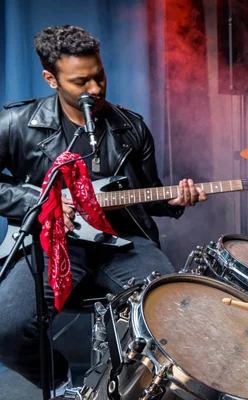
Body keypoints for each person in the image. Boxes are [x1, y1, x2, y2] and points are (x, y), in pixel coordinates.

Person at [0, 25, 206, 391]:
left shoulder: (131, 128)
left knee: (175, 315)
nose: (95, 90)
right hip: (54, 243)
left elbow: (149, 193)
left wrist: (174, 201)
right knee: (4, 328)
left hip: (124, 241)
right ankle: (61, 382)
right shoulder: (17, 124)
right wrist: (39, 201)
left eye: (99, 76)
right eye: (81, 82)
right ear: (51, 79)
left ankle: (126, 390)